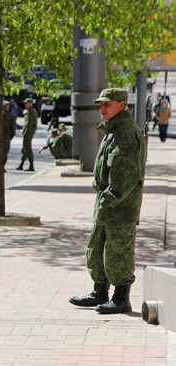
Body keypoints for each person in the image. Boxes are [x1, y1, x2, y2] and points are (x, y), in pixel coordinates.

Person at [69, 88, 146, 314]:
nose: (102, 109)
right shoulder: (113, 131)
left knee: (118, 251)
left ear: (121, 105)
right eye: (100, 105)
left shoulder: (125, 134)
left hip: (119, 206)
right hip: (107, 202)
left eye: (107, 104)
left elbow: (123, 180)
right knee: (99, 248)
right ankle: (99, 293)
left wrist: (108, 200)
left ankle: (121, 299)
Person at [17, 98, 37, 171]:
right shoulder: (29, 111)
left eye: (26, 103)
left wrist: (27, 133)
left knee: (27, 148)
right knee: (24, 148)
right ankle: (21, 164)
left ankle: (31, 165)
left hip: (28, 132)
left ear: (31, 103)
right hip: (27, 132)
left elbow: (30, 124)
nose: (25, 104)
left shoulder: (31, 112)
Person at [2, 100, 16, 169]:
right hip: (6, 136)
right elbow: (13, 129)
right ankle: (2, 166)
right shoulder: (10, 116)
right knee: (5, 152)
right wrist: (10, 136)